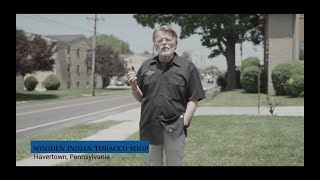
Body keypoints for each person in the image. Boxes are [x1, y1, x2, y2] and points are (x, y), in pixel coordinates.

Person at [127, 24, 205, 166]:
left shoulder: (187, 67)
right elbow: (140, 97)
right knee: (153, 164)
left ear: (175, 42)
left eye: (168, 39)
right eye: (160, 40)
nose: (164, 43)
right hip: (150, 126)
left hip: (175, 128)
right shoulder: (145, 66)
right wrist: (133, 86)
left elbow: (193, 98)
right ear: (154, 44)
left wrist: (184, 121)